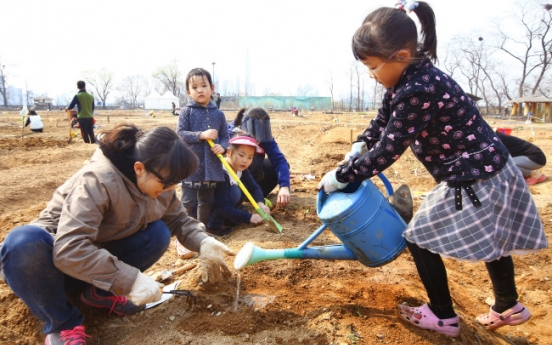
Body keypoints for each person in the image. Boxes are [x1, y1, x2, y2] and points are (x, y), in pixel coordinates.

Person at [318, 1, 547, 337]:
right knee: (493, 238)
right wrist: (361, 143)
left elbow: (390, 149)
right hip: (485, 169)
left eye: (372, 66)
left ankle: (443, 316)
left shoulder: (418, 88)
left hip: (474, 175)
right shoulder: (405, 80)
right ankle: (508, 305)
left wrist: (343, 176)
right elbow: (383, 123)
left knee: (419, 238)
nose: (371, 74)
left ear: (399, 56)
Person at [176, 67, 229, 233]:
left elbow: (225, 136)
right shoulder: (186, 112)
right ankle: (184, 233)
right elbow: (180, 134)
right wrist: (201, 135)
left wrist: (223, 147)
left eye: (204, 86)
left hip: (211, 167)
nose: (200, 90)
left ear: (212, 88)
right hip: (191, 166)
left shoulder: (218, 114)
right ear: (188, 91)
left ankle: (201, 232)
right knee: (188, 201)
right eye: (195, 87)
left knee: (206, 202)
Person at [207, 136, 271, 234]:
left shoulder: (241, 168)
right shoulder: (222, 172)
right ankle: (214, 226)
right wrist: (248, 217)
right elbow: (223, 207)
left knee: (245, 186)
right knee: (235, 192)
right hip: (212, 207)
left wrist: (260, 203)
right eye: (241, 155)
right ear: (229, 153)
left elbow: (254, 187)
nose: (245, 160)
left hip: (224, 205)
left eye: (250, 157)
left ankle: (229, 218)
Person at [229, 107, 291, 208]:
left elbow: (279, 160)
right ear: (244, 129)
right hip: (232, 178)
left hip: (251, 175)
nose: (258, 140)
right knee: (253, 160)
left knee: (274, 166)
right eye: (255, 135)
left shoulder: (265, 137)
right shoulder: (230, 133)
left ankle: (255, 196)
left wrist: (284, 186)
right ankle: (237, 196)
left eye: (261, 135)